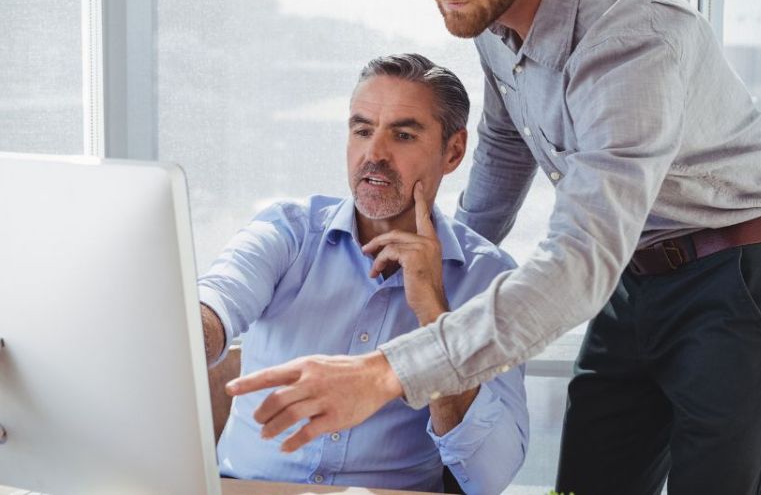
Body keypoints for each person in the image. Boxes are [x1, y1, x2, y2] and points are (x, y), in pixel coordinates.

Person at [227, 0, 761, 494]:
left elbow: (576, 262)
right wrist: (454, 261)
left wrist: (386, 371)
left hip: (739, 269)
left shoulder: (632, 43)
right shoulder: (488, 2)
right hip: (634, 269)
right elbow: (507, 142)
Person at [200, 53, 529, 494]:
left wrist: (435, 316)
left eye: (403, 135)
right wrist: (186, 332)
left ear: (452, 152)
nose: (374, 154)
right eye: (362, 130)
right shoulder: (287, 233)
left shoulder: (490, 281)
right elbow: (217, 301)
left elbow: (491, 476)